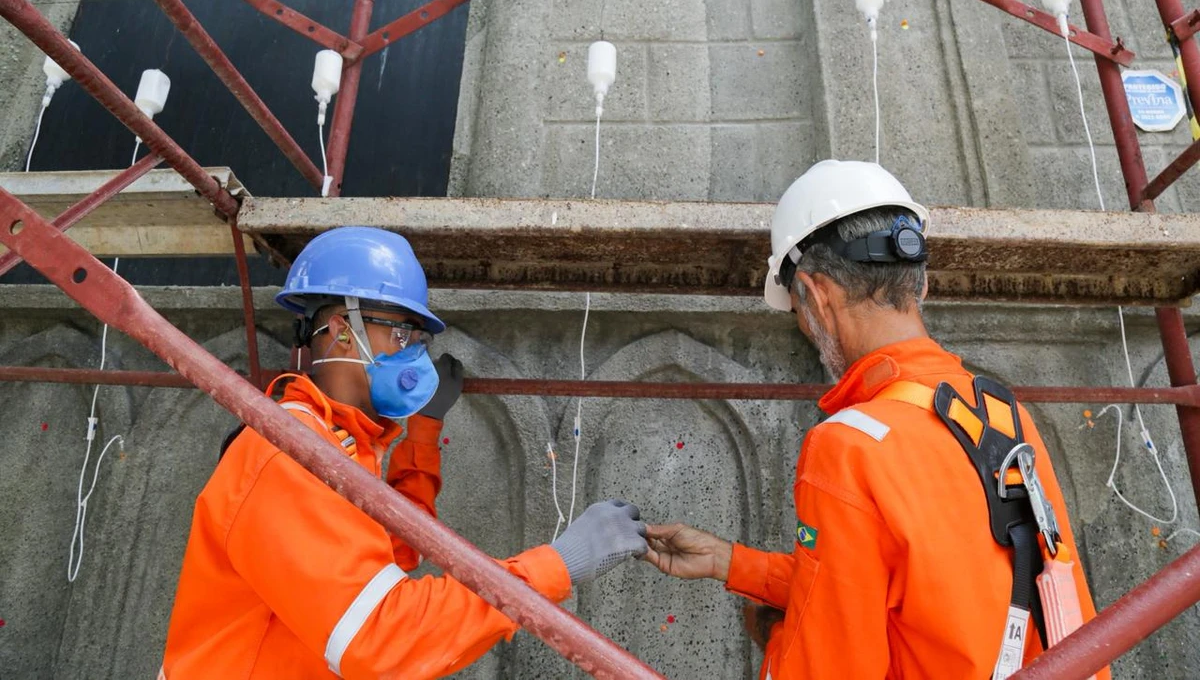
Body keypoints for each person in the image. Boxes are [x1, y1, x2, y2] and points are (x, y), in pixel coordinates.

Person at [641, 161, 1109, 680]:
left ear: (818, 296)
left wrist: (775, 631)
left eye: (798, 310)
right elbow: (927, 589)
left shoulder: (849, 446)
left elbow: (826, 667)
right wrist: (734, 563)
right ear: (921, 284)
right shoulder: (1001, 413)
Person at [162, 227, 647, 679]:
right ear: (341, 331)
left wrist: (422, 433)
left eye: (418, 339)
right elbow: (381, 637)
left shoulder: (339, 445)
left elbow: (394, 549)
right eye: (400, 335)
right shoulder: (287, 451)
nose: (413, 352)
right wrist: (559, 564)